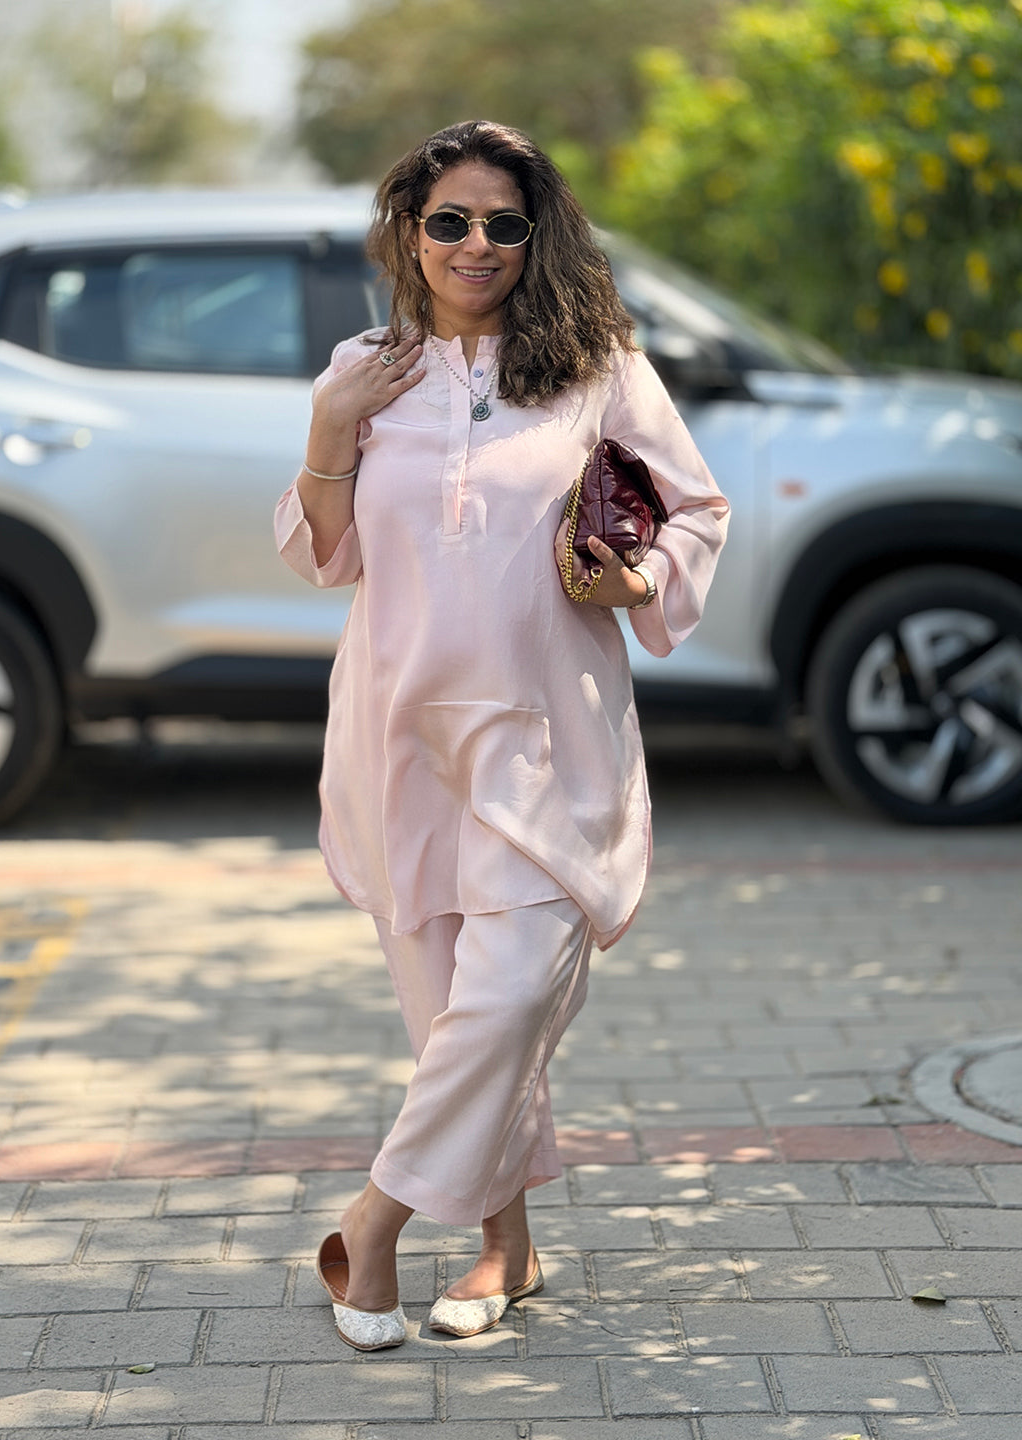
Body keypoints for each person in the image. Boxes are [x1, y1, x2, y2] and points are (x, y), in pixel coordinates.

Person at [275, 120, 729, 1352]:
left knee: (512, 993)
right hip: (398, 739)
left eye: (504, 225)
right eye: (450, 223)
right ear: (409, 236)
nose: (476, 245)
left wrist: (638, 587)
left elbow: (696, 508)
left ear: (540, 239)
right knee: (457, 1024)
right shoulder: (365, 367)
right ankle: (505, 1247)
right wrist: (328, 429)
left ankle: (370, 1227)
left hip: (548, 739)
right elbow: (329, 556)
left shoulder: (601, 365)